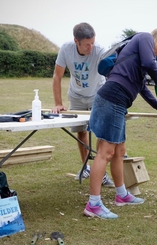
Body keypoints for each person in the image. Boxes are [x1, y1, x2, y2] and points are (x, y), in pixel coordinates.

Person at [83, 28, 157, 219]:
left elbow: (144, 91)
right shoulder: (145, 38)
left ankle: (122, 195)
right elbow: (151, 64)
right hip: (112, 97)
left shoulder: (138, 62)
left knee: (119, 151)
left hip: (119, 101)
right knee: (105, 152)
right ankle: (93, 204)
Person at [51, 22, 114, 187]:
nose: (90, 47)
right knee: (80, 131)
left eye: (92, 42)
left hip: (97, 94)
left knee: (101, 133)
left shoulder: (100, 50)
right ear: (76, 41)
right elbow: (57, 76)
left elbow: (112, 74)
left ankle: (101, 172)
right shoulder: (66, 49)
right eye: (87, 44)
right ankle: (85, 167)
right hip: (76, 95)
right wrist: (58, 103)